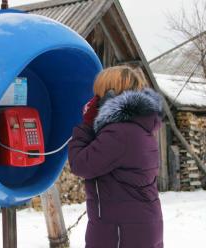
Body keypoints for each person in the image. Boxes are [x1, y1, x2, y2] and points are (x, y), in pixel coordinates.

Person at [68, 66, 164, 248]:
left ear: (110, 94)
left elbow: (81, 164)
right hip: (136, 227)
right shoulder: (138, 125)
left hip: (121, 233)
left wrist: (87, 125)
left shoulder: (120, 132)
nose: (94, 100)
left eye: (98, 95)